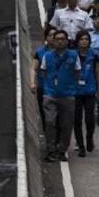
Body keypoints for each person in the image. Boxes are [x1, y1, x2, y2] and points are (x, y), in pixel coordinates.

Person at [34, 29, 79, 162]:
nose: (59, 41)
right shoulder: (47, 56)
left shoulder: (73, 56)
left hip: (67, 95)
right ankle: (50, 150)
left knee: (66, 124)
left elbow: (77, 73)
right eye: (57, 39)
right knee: (49, 122)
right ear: (53, 40)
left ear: (67, 41)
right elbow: (42, 72)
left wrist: (71, 87)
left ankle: (62, 149)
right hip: (50, 94)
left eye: (62, 39)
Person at [72, 30, 99, 157]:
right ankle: (80, 146)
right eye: (82, 39)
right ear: (77, 41)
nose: (84, 41)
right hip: (75, 92)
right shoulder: (72, 55)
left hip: (90, 91)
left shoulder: (94, 55)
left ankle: (89, 137)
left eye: (86, 39)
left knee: (90, 119)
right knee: (77, 120)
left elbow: (98, 73)